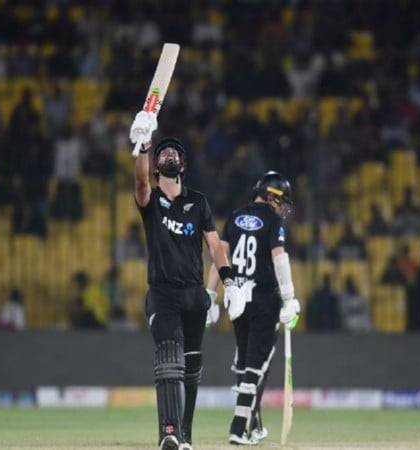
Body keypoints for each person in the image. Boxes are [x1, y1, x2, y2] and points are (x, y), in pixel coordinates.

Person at [129, 110, 244, 450]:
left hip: (195, 296)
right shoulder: (150, 200)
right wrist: (143, 144)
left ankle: (185, 437)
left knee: (191, 367)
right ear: (155, 164)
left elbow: (214, 244)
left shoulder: (198, 202)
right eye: (162, 152)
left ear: (182, 164)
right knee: (169, 359)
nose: (168, 154)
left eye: (173, 152)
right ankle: (168, 432)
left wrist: (230, 282)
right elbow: (138, 182)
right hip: (162, 294)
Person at [206, 171, 301, 445]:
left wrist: (210, 294)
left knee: (248, 362)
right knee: (255, 367)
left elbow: (219, 257)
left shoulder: (235, 217)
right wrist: (289, 297)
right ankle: (239, 427)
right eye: (281, 201)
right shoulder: (272, 220)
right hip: (263, 299)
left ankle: (255, 424)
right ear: (272, 196)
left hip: (237, 299)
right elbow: (279, 260)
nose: (282, 208)